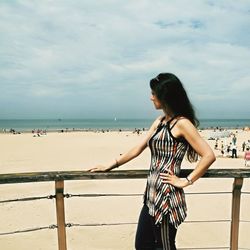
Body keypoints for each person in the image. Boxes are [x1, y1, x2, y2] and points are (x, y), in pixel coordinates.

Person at [88, 73, 216, 250]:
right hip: (150, 196)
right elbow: (138, 148)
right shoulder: (160, 121)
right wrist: (110, 165)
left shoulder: (182, 124)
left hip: (166, 197)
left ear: (165, 96)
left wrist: (186, 181)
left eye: (153, 93)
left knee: (165, 246)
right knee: (142, 245)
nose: (150, 97)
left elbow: (209, 155)